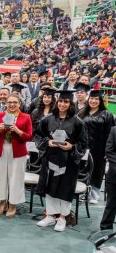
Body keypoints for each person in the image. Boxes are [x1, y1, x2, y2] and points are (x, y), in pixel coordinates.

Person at [35, 89, 87, 232]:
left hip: (68, 161)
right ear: (57, 102)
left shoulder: (78, 122)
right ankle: (50, 215)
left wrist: (72, 147)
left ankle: (63, 217)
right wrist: (47, 143)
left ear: (70, 103)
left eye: (66, 101)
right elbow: (39, 135)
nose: (63, 104)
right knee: (50, 186)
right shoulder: (48, 119)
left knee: (65, 188)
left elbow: (84, 143)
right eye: (61, 101)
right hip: (50, 158)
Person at [0, 93, 33, 217]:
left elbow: (29, 136)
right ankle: (3, 202)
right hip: (0, 149)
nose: (12, 105)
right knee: (0, 177)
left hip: (18, 151)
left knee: (16, 179)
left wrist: (18, 131)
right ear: (6, 103)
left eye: (15, 102)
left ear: (19, 104)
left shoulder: (26, 117)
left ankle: (13, 204)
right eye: (9, 102)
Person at [79, 90, 115, 204]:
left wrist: (107, 151)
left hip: (99, 149)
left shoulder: (107, 114)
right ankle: (82, 192)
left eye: (96, 99)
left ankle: (94, 195)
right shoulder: (81, 113)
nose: (93, 101)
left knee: (97, 170)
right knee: (82, 168)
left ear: (100, 101)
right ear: (88, 99)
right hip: (83, 147)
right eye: (91, 99)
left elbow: (110, 134)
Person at [101, 125, 116, 230]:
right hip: (114, 173)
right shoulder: (114, 130)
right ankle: (106, 229)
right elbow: (109, 151)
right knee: (111, 204)